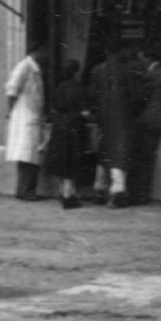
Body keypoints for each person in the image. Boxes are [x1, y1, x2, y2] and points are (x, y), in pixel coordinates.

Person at [89, 41, 139, 208]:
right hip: (124, 117)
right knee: (120, 154)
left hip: (104, 117)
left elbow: (93, 95)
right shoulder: (128, 69)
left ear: (105, 50)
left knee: (104, 152)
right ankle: (117, 192)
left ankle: (99, 188)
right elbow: (135, 97)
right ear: (122, 51)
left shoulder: (98, 69)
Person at [45, 59, 92, 210]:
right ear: (76, 71)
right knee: (71, 163)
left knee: (61, 162)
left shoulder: (58, 88)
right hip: (74, 127)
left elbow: (53, 110)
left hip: (59, 127)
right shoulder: (79, 88)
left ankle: (63, 192)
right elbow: (85, 112)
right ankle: (68, 196)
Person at [5, 43, 47, 201]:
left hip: (33, 116)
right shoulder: (24, 66)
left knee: (31, 155)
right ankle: (25, 191)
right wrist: (11, 111)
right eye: (45, 52)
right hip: (24, 117)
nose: (47, 56)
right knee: (27, 156)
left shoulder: (35, 68)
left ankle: (26, 190)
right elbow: (11, 90)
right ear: (38, 50)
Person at [130, 48, 161, 207]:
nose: (140, 63)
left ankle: (140, 194)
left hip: (149, 119)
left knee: (144, 158)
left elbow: (140, 98)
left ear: (147, 58)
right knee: (147, 158)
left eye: (141, 58)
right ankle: (142, 193)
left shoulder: (150, 75)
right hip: (158, 118)